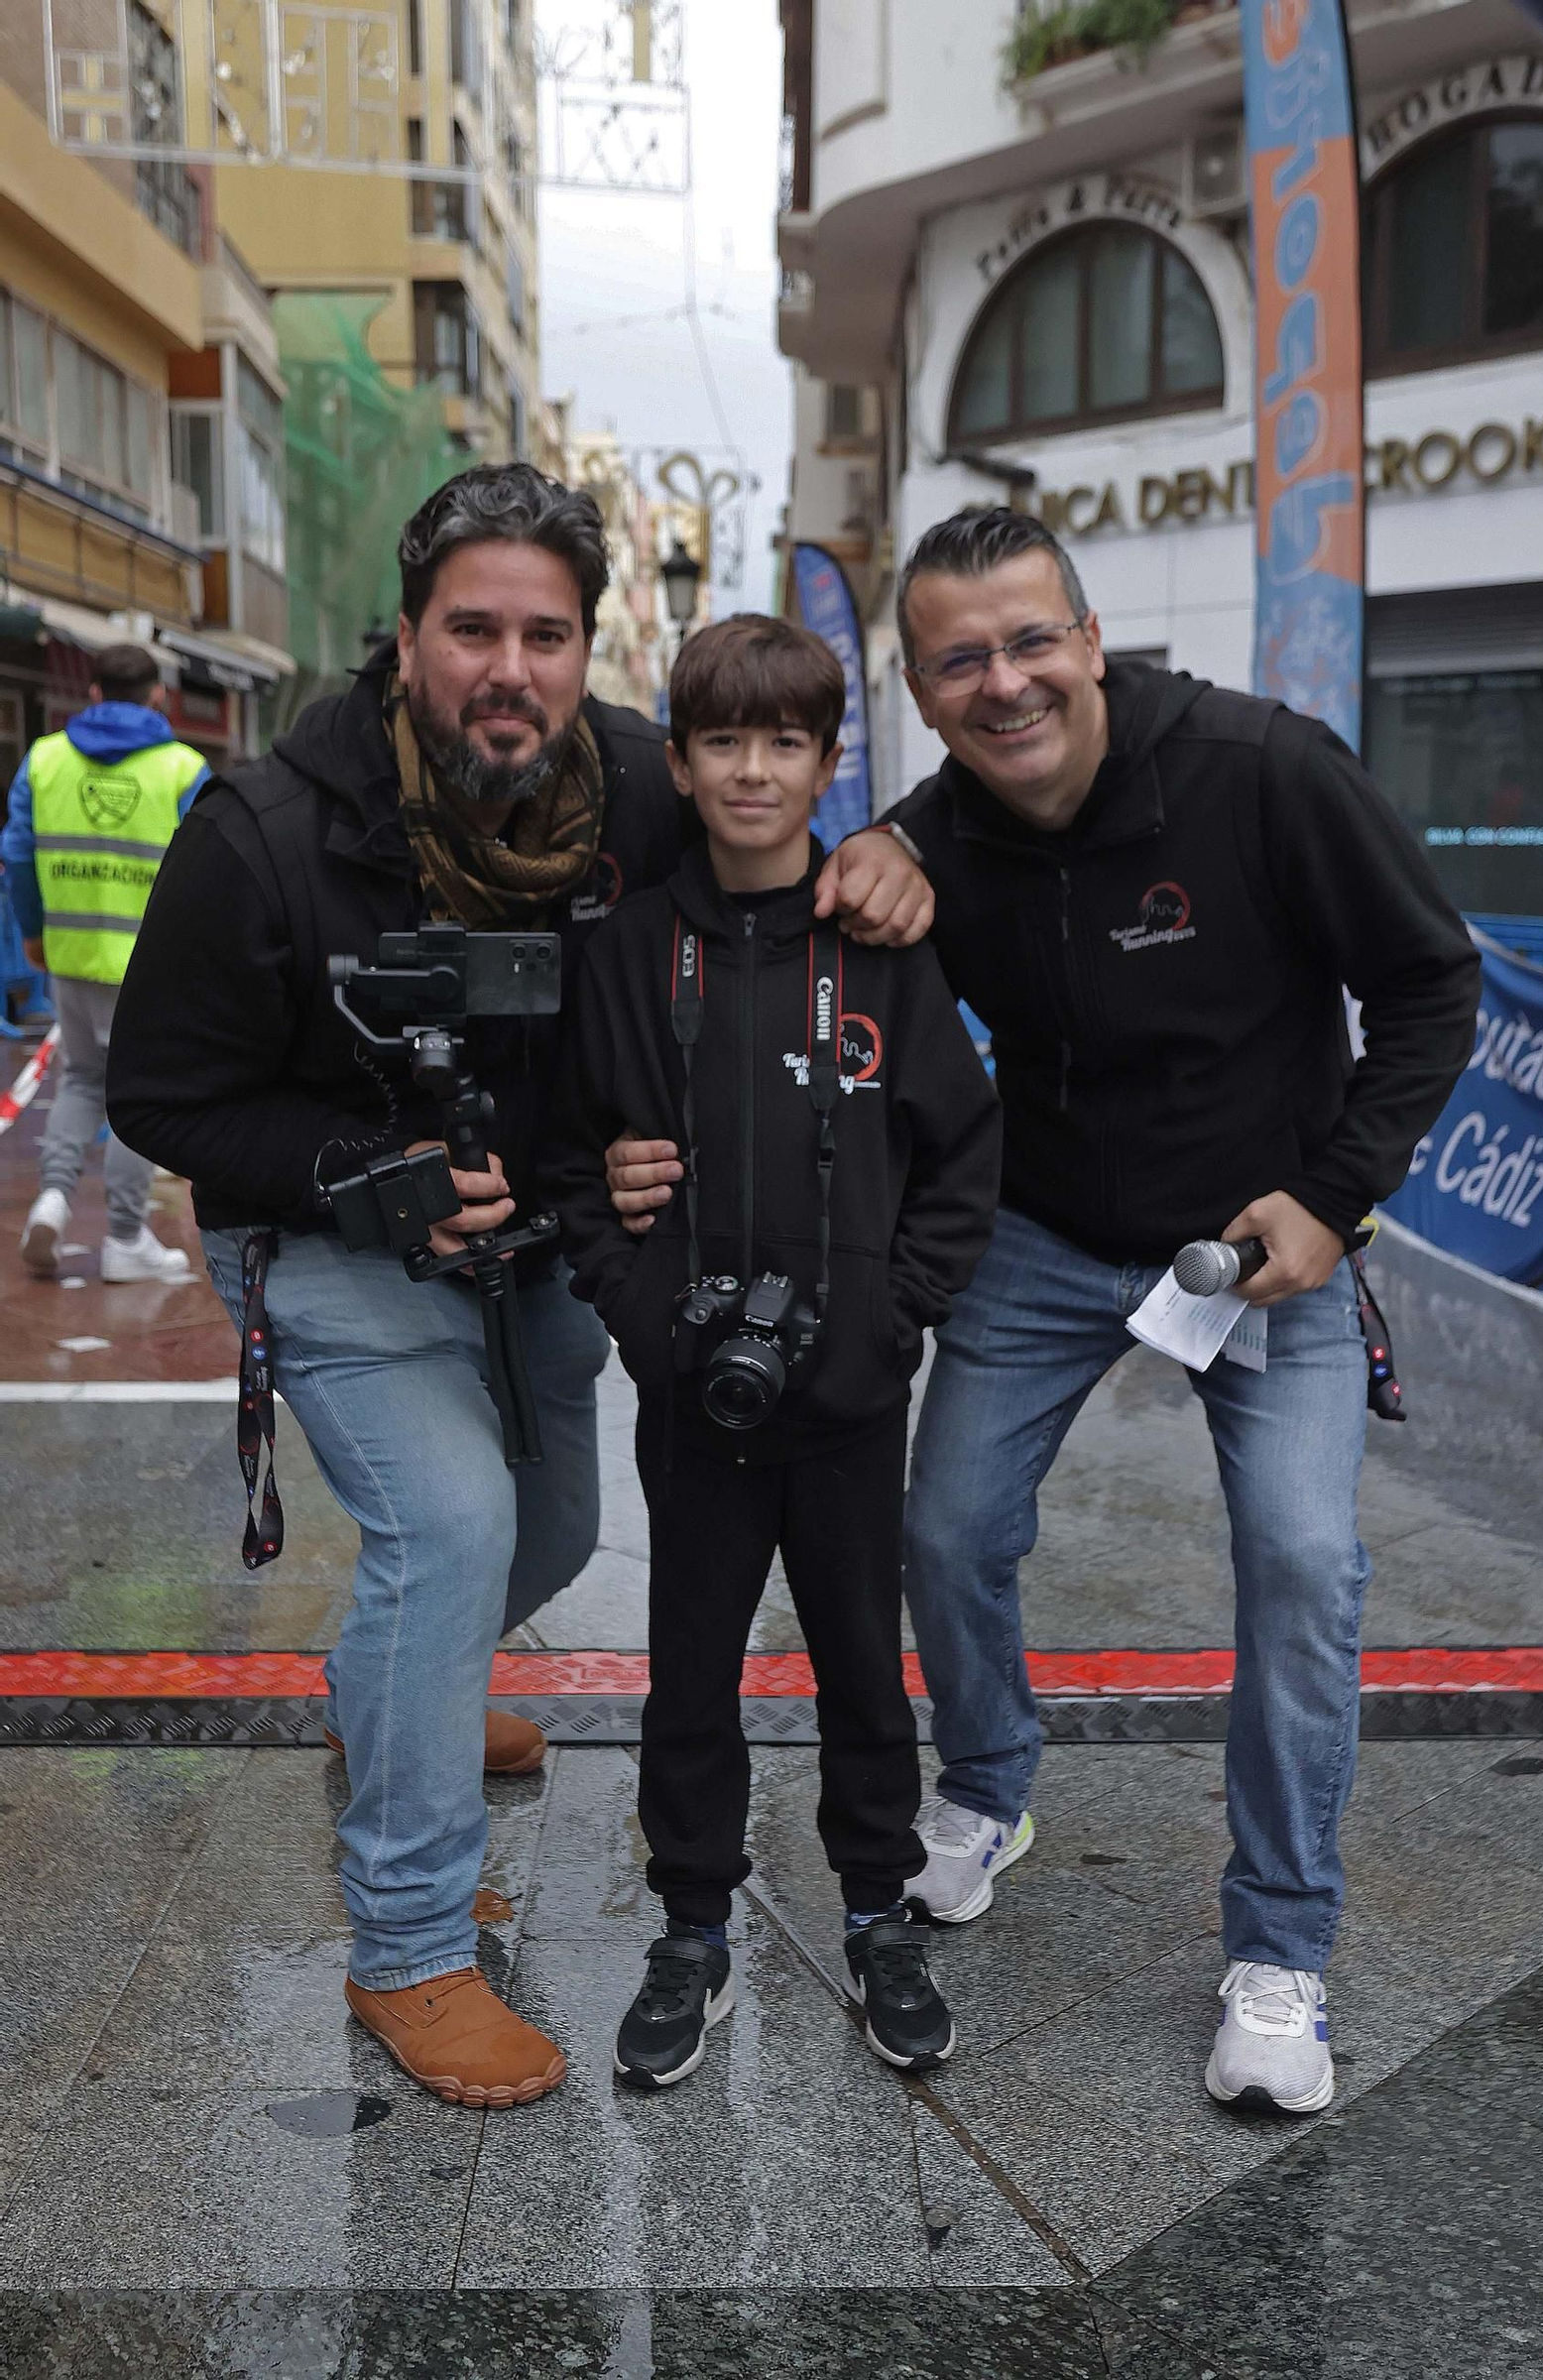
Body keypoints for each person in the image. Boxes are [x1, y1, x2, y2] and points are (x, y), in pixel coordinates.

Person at [604, 508, 1483, 2117]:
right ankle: (990, 1790)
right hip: (1051, 1237)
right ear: (924, 701)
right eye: (960, 661)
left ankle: (1279, 1951)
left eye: (1030, 642)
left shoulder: (1264, 772)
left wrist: (1338, 1189)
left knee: (1300, 1565)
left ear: (1090, 640)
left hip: (1260, 1239)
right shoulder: (929, 843)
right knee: (941, 1533)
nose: (1004, 682)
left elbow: (1434, 983)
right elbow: (852, 951)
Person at [104, 463, 933, 2109]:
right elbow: (161, 1101)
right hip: (327, 1233)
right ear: (406, 639)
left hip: (539, 1228)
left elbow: (776, 847)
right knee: (459, 1528)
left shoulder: (636, 786)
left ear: (587, 645)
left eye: (545, 633)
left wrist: (889, 858)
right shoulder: (265, 830)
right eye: (471, 627)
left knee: (553, 1529)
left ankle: (390, 1693)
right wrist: (367, 1172)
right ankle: (408, 1943)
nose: (511, 667)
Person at [548, 615, 1001, 2088]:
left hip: (855, 1397)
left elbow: (964, 1149)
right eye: (724, 741)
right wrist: (635, 1308)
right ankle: (693, 1927)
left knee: (867, 1669)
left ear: (826, 763)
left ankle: (880, 1913)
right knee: (689, 1675)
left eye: (786, 742)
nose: (754, 770)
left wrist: (896, 1309)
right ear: (676, 763)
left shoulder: (879, 942)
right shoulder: (625, 953)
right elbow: (571, 1163)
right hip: (693, 1396)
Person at [3, 644, 207, 1282]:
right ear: (157, 696)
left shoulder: (43, 761)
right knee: (134, 1094)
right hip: (150, 968)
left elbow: (17, 856)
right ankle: (124, 1237)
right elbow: (208, 875)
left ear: (92, 693)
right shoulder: (183, 769)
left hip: (69, 957)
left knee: (83, 1081)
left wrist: (36, 939)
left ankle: (55, 1198)